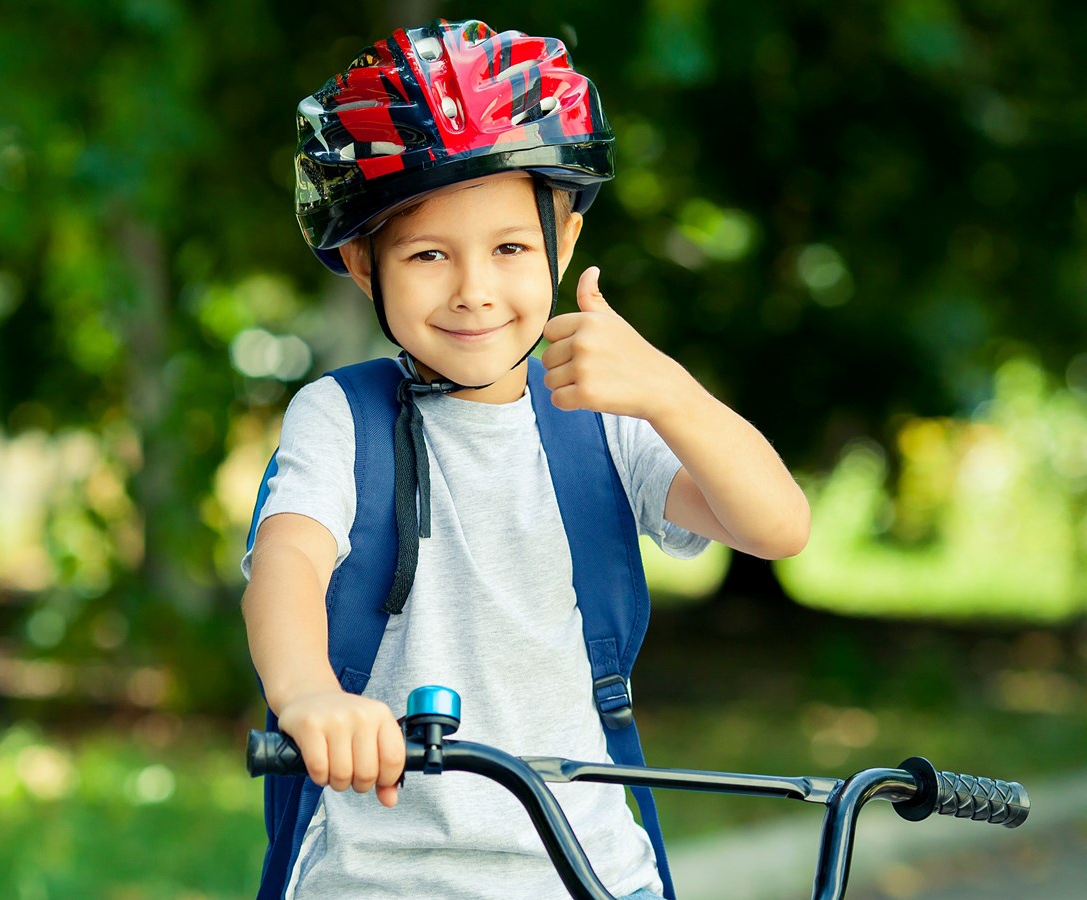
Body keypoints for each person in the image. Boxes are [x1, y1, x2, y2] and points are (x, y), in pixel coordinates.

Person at [241, 18, 811, 900]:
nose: (474, 289)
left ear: (564, 244)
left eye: (509, 248)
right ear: (362, 267)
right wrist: (310, 693)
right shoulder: (340, 417)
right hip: (383, 879)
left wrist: (669, 392)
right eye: (428, 254)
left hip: (592, 875)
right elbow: (286, 563)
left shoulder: (603, 418)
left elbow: (778, 526)